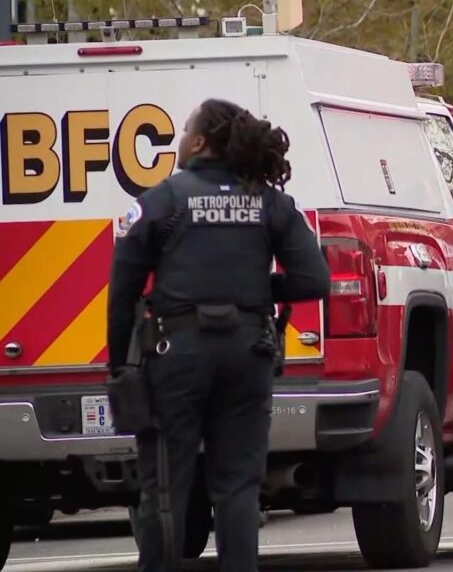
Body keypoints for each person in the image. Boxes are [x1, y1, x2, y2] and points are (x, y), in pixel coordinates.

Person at [107, 99, 331, 572]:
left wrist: (120, 369)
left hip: (177, 356)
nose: (181, 138)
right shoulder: (268, 201)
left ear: (201, 141)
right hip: (248, 352)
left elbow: (123, 291)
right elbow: (315, 281)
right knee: (239, 486)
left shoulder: (162, 200)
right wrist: (255, 291)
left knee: (166, 487)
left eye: (185, 129)